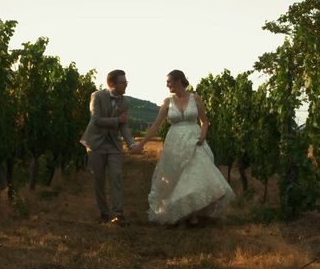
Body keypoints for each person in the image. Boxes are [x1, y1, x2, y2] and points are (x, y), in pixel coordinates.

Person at [131, 70, 235, 225]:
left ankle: (193, 212)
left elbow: (204, 121)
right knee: (177, 178)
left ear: (179, 80)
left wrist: (203, 135)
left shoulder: (195, 98)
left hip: (195, 141)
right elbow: (156, 126)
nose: (167, 84)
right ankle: (182, 213)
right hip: (175, 143)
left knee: (196, 175)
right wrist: (141, 143)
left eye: (169, 81)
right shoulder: (167, 102)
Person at [81, 69, 139, 225]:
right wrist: (117, 120)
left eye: (126, 81)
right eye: (122, 82)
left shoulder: (125, 102)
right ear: (112, 84)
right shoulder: (97, 96)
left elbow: (124, 126)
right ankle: (104, 213)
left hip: (114, 144)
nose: (126, 84)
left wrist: (132, 143)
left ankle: (118, 214)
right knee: (98, 180)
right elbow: (96, 120)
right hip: (95, 143)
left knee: (116, 176)